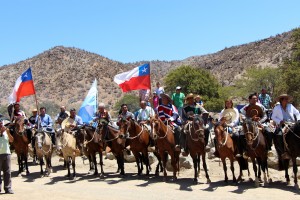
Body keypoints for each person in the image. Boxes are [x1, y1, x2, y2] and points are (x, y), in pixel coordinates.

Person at [271, 94, 300, 159]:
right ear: (281, 100)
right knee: (280, 135)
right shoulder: (277, 108)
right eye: (285, 99)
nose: (287, 100)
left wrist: (298, 120)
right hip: (283, 124)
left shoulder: (290, 106)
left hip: (292, 123)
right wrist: (280, 121)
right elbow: (273, 117)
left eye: (287, 99)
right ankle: (284, 152)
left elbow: (297, 113)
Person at [0, 119, 14, 194]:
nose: (1, 125)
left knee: (7, 172)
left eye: (1, 124)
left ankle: (8, 188)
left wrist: (8, 133)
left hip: (7, 153)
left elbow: (11, 140)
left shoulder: (6, 131)